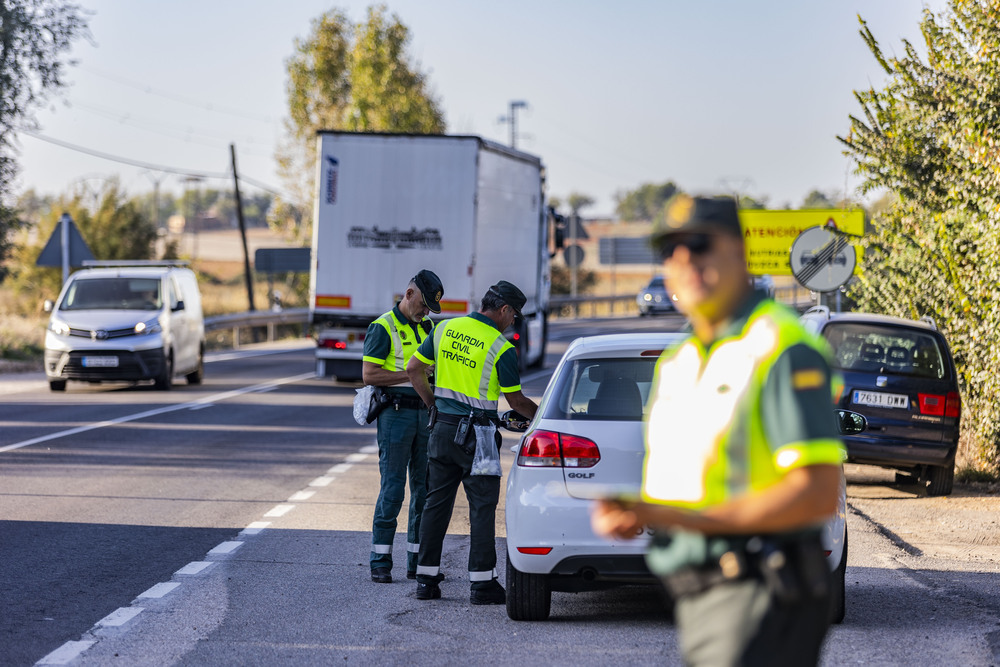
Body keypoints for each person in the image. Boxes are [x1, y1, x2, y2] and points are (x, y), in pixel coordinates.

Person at [591, 195, 845, 666]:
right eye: (670, 250)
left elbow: (816, 494)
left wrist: (687, 519)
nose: (685, 259)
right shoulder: (679, 361)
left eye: (700, 243)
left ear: (739, 252)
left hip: (760, 589)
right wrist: (645, 512)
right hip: (696, 595)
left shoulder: (779, 347)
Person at [406, 280, 538, 604]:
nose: (513, 322)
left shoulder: (444, 328)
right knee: (481, 507)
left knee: (435, 504)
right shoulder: (501, 347)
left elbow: (413, 369)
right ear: (504, 310)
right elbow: (517, 401)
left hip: (441, 430)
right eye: (514, 316)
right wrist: (543, 416)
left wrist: (433, 406)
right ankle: (482, 584)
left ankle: (425, 579)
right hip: (477, 437)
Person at [362, 269, 444, 584]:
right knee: (393, 489)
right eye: (423, 305)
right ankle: (380, 560)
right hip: (394, 415)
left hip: (425, 415)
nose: (425, 312)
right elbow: (369, 375)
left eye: (429, 309)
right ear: (408, 295)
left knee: (424, 490)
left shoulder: (428, 327)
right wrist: (412, 374)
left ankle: (418, 563)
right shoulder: (382, 327)